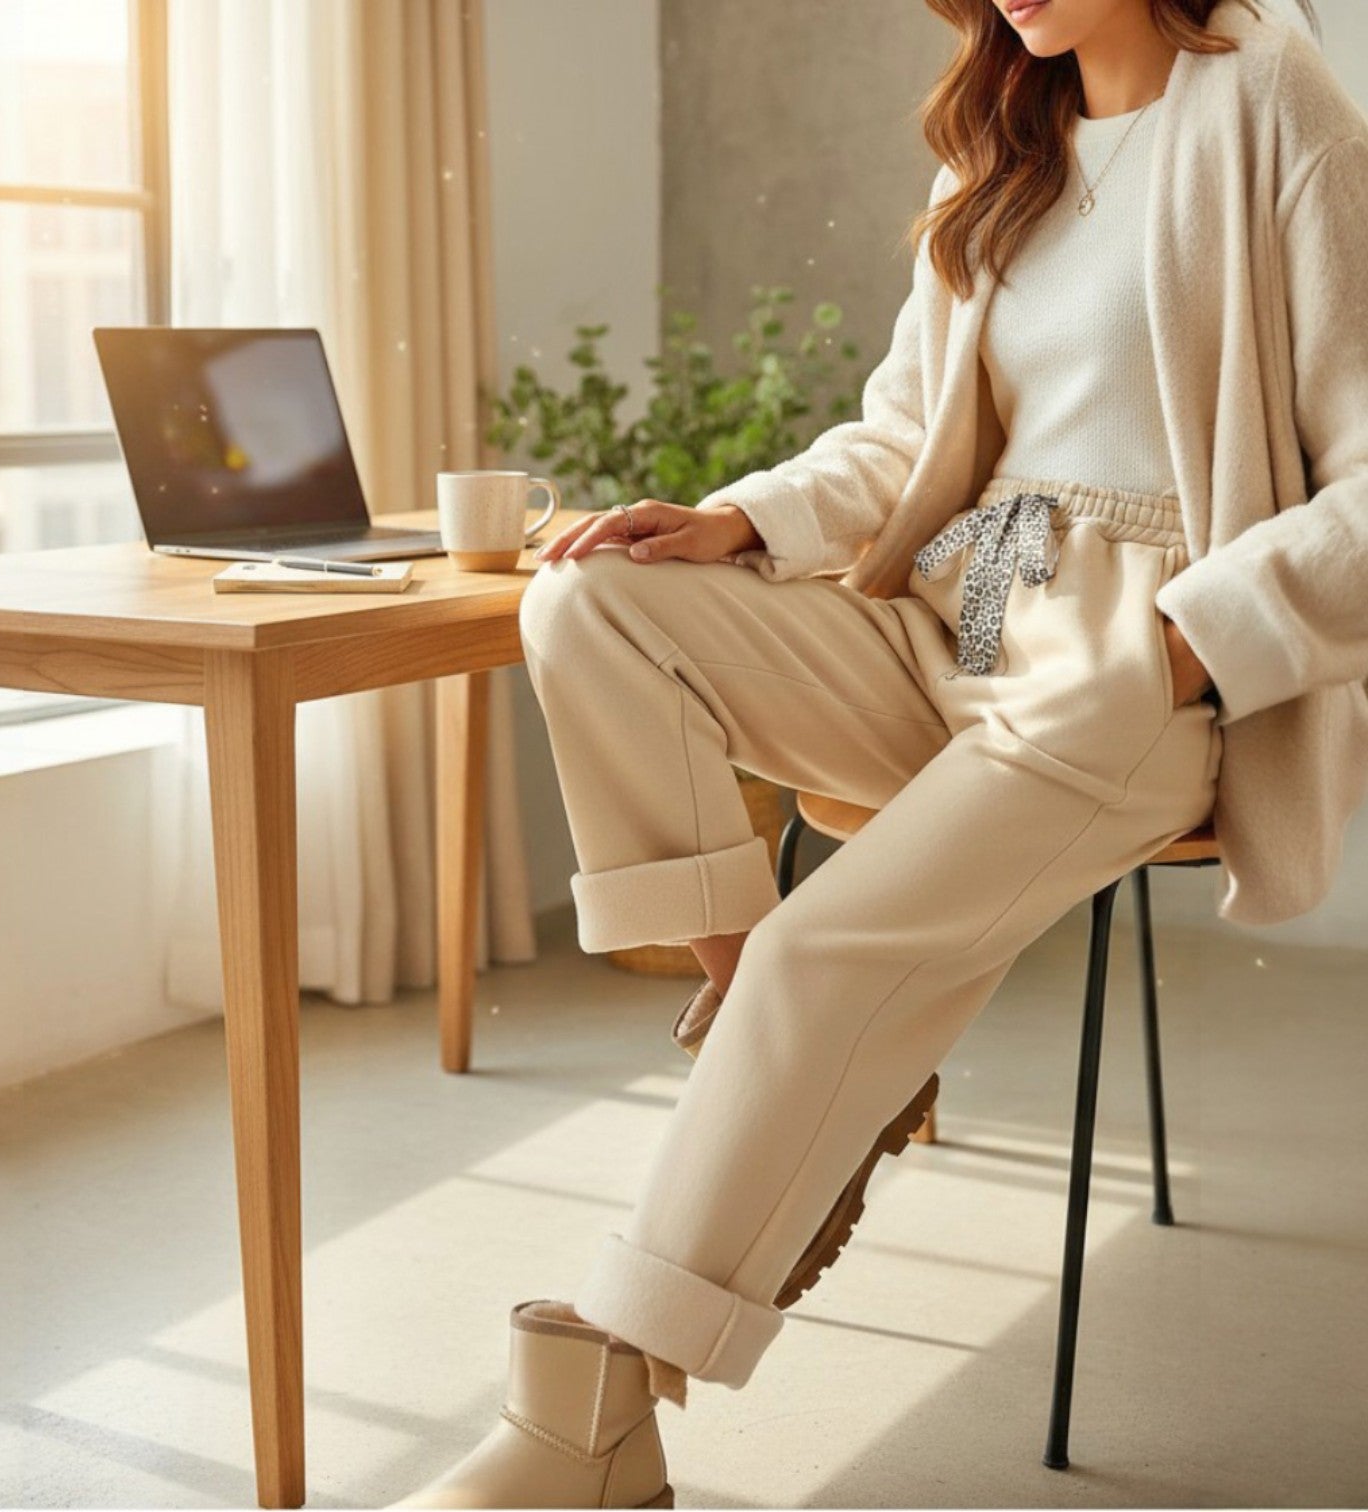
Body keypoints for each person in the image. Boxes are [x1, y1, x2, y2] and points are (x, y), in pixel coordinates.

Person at [393, 0, 1368, 1505]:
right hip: (960, 600)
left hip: (1133, 654)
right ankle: (767, 1024)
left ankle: (592, 1418)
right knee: (588, 602)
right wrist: (742, 516)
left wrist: (1194, 636)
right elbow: (909, 434)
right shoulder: (1001, 134)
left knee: (822, 954)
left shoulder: (1271, 98)